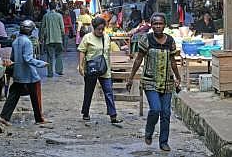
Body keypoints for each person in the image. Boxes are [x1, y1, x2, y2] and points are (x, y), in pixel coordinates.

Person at [126, 12, 181, 152]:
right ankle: (149, 131)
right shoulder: (146, 39)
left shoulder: (170, 41)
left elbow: (173, 61)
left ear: (164, 25)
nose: (158, 26)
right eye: (155, 23)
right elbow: (138, 59)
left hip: (167, 82)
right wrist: (131, 78)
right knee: (155, 109)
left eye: (160, 23)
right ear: (151, 25)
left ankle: (164, 141)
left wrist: (178, 77)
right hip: (150, 81)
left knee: (166, 113)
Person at [0, 20, 49, 126]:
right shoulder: (27, 42)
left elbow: (12, 58)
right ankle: (39, 119)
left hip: (18, 73)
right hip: (29, 74)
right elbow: (28, 59)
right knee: (35, 97)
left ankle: (4, 116)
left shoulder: (15, 41)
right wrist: (41, 63)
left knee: (13, 95)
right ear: (30, 31)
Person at [78, 17, 123, 124]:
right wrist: (80, 65)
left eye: (102, 29)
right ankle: (86, 113)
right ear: (94, 28)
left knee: (108, 92)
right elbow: (82, 51)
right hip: (91, 69)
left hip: (104, 68)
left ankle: (113, 115)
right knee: (88, 91)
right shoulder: (87, 38)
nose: (101, 31)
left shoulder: (107, 37)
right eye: (99, 29)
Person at [41, 2, 65, 77]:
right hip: (58, 39)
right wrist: (62, 36)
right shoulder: (59, 16)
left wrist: (41, 37)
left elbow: (42, 28)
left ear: (49, 7)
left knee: (49, 56)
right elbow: (62, 29)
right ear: (56, 7)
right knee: (59, 54)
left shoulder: (46, 16)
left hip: (49, 39)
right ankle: (59, 70)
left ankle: (50, 73)